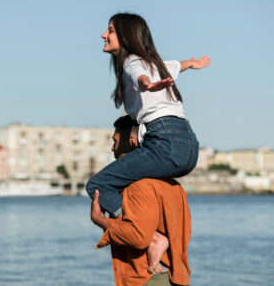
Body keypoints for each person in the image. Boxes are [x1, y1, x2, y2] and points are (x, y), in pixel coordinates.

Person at [86, 13, 210, 218]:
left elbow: (139, 75)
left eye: (110, 30)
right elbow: (175, 66)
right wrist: (191, 63)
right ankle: (153, 221)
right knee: (133, 181)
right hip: (189, 147)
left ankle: (142, 231)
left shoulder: (131, 61)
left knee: (98, 185)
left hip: (164, 143)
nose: (103, 35)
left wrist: (146, 84)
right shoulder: (155, 64)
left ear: (126, 36)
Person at [91, 115, 192, 286]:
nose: (112, 148)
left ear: (132, 141)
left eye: (115, 142)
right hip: (173, 276)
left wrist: (101, 220)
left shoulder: (137, 186)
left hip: (149, 277)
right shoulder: (172, 185)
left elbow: (139, 237)